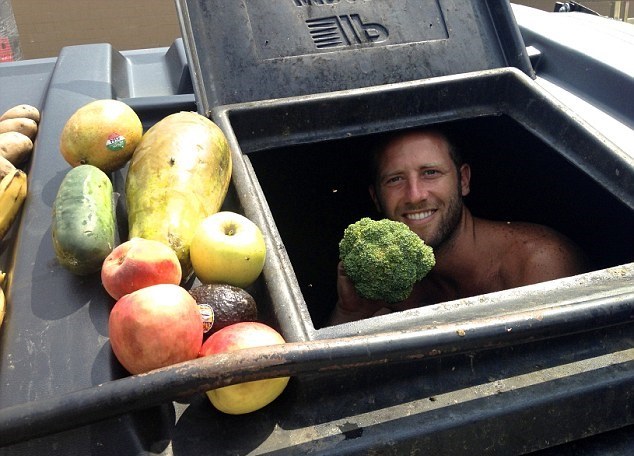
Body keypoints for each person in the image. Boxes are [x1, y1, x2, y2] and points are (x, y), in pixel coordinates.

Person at [329, 128, 589, 325]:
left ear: (463, 180)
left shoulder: (537, 264)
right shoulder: (388, 286)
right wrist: (352, 312)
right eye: (395, 179)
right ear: (376, 198)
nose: (415, 195)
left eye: (430, 172)